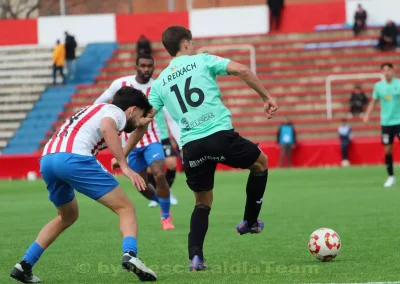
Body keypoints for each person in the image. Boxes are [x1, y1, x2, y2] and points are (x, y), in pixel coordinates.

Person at [114, 26, 278, 271]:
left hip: (191, 146)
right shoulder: (202, 60)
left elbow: (144, 123)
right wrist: (266, 97)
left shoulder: (159, 84)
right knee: (261, 163)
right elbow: (242, 69)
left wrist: (123, 155)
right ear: (186, 44)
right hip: (220, 135)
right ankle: (250, 222)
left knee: (202, 202)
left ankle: (196, 258)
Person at [9, 87, 157, 283]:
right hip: (74, 159)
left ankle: (24, 265)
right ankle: (130, 254)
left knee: (67, 216)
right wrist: (125, 166)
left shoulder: (93, 109)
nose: (138, 120)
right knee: (126, 208)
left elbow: (119, 127)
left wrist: (141, 125)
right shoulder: (116, 112)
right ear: (131, 109)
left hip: (48, 160)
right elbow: (107, 127)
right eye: (138, 115)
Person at [95, 53, 175, 230]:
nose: (146, 69)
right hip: (129, 143)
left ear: (153, 67)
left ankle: (166, 216)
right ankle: (162, 201)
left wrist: (179, 140)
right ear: (136, 67)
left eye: (149, 66)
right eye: (143, 66)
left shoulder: (157, 87)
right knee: (142, 186)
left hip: (152, 138)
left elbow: (169, 116)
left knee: (159, 173)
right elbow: (102, 100)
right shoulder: (121, 84)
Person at [364, 62, 400, 187]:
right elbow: (374, 101)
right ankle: (391, 177)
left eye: (388, 69)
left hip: (399, 121)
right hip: (386, 122)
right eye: (384, 70)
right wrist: (367, 114)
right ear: (381, 72)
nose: (386, 72)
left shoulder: (399, 84)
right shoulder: (378, 86)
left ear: (393, 71)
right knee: (388, 149)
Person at [147, 109, 180, 208]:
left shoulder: (161, 100)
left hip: (163, 137)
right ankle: (156, 195)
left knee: (172, 164)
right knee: (151, 169)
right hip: (150, 138)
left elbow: (171, 118)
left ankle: (167, 192)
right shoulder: (142, 101)